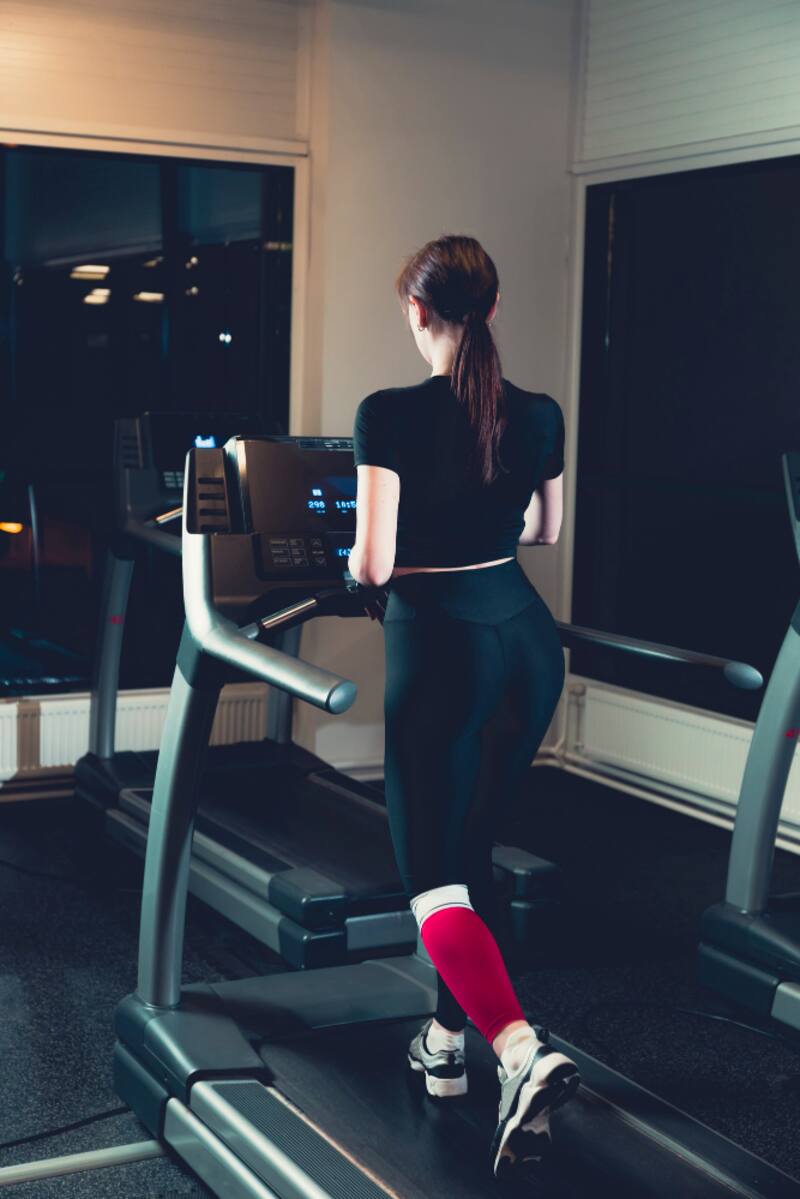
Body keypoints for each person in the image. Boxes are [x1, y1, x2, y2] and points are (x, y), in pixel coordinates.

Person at [347, 234, 580, 1178]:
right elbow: (544, 529)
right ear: (491, 309)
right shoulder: (540, 412)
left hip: (441, 647)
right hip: (526, 643)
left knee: (432, 877)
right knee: (471, 845)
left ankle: (519, 1050)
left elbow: (370, 560)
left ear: (418, 312)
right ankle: (446, 1045)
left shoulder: (386, 414)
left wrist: (350, 563)